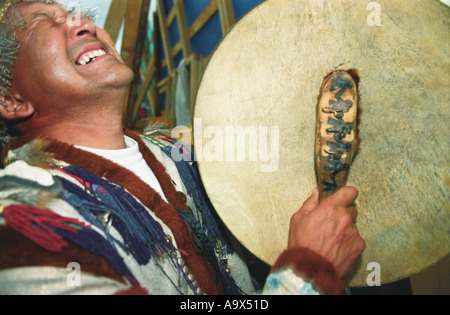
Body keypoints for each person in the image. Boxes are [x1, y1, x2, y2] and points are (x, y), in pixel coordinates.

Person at [0, 0, 365, 295]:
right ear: (11, 99)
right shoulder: (23, 217)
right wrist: (307, 274)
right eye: (44, 22)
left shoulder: (177, 150)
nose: (83, 23)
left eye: (78, 15)